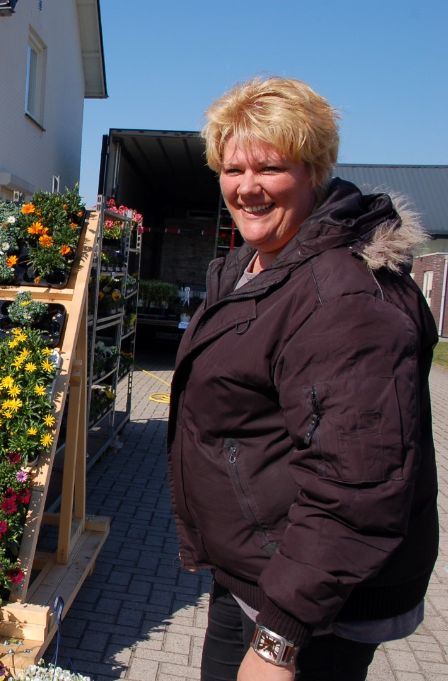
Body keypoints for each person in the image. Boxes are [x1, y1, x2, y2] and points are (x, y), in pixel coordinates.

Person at [167, 76, 438, 681]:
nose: (247, 187)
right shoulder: (255, 265)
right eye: (232, 169)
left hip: (316, 607)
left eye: (270, 168)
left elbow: (356, 486)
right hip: (259, 570)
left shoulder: (343, 298)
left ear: (314, 171)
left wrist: (278, 643)